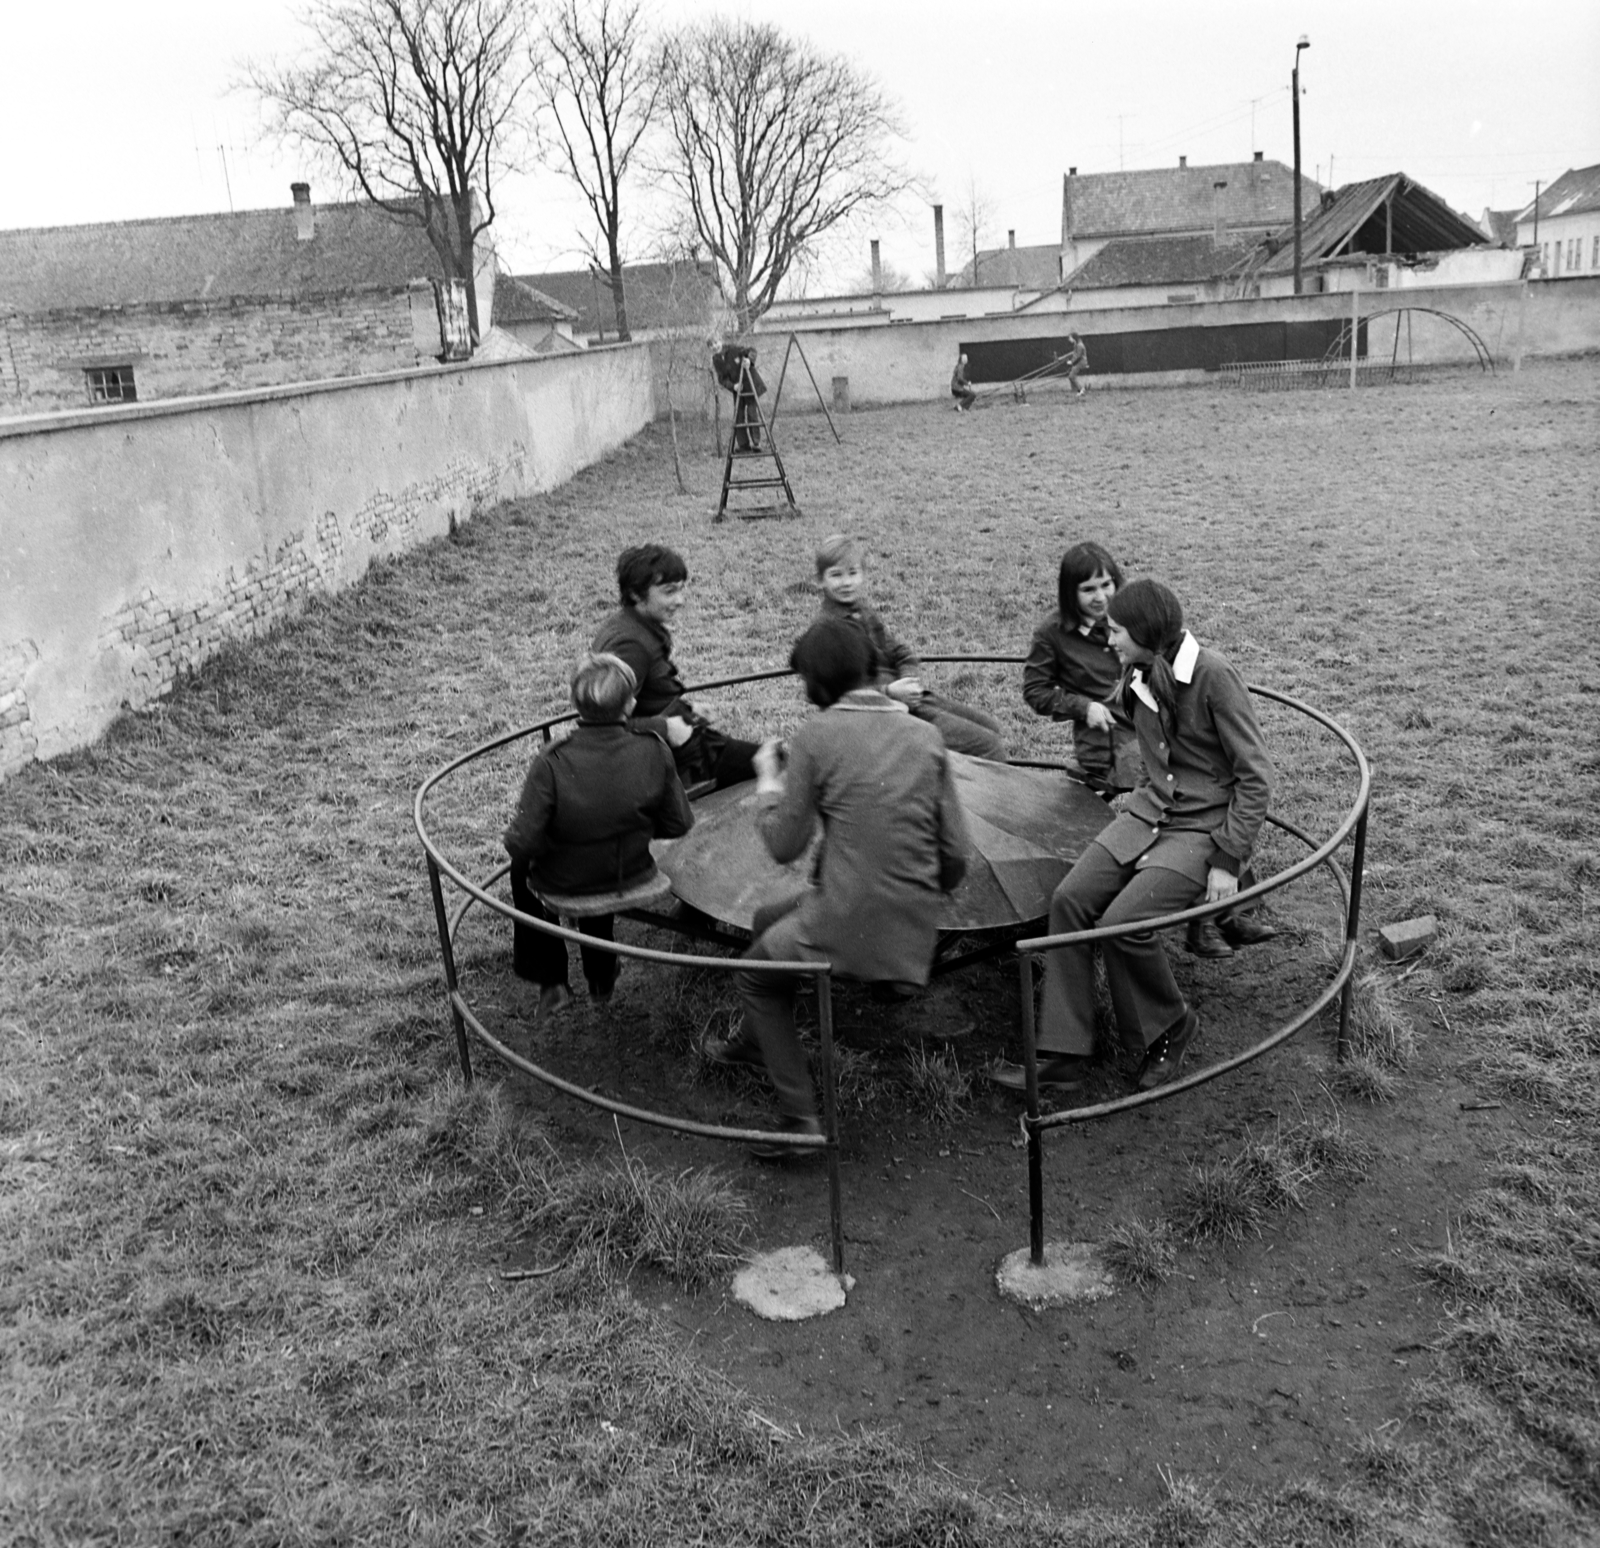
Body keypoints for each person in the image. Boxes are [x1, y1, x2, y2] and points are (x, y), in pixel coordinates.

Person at [992, 580, 1275, 1095]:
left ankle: (1167, 1027)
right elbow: (1134, 740)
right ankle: (1062, 1052)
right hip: (1147, 814)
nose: (1109, 640)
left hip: (1202, 829)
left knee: (1125, 923)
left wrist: (1228, 860)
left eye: (1117, 631)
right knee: (1071, 900)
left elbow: (1255, 777)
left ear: (1145, 634)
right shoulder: (1139, 673)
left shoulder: (1213, 676)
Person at [703, 618, 971, 1154]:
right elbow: (956, 854)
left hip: (848, 914)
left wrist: (767, 783)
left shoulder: (817, 734)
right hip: (916, 920)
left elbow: (783, 847)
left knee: (753, 976)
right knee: (764, 923)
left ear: (816, 684)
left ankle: (800, 1120)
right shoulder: (925, 735)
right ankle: (757, 1043)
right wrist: (917, 900)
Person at [504, 652, 693, 1016]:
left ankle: (552, 981)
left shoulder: (552, 760)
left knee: (524, 867)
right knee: (600, 859)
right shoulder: (654, 749)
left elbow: (521, 842)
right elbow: (679, 824)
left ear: (575, 704)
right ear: (631, 703)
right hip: (632, 870)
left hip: (568, 879)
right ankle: (601, 974)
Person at [812, 533, 1007, 761]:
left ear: (863, 574)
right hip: (881, 713)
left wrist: (908, 682)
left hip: (909, 698)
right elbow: (839, 693)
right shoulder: (827, 630)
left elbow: (902, 653)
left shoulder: (862, 611)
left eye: (853, 573)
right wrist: (891, 691)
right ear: (820, 580)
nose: (846, 583)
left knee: (991, 727)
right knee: (988, 746)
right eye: (836, 575)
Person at [591, 544, 761, 790]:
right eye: (669, 592)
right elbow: (602, 726)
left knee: (770, 760)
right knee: (774, 764)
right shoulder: (629, 645)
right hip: (674, 763)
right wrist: (666, 727)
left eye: (681, 590)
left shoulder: (634, 625)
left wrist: (686, 710)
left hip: (684, 746)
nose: (680, 601)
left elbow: (648, 699)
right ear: (636, 594)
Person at [1022, 541, 1142, 794]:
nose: (1100, 597)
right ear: (1070, 592)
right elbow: (1035, 691)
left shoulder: (1133, 616)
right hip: (1104, 737)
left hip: (1148, 721)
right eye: (1088, 589)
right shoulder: (1051, 634)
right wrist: (1084, 707)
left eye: (1106, 585)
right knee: (1156, 775)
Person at [712, 341, 767, 451]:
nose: (714, 346)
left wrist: (749, 360)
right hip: (738, 389)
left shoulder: (734, 349)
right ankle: (743, 445)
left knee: (752, 414)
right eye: (710, 345)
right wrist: (733, 386)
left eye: (715, 342)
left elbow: (752, 350)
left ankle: (756, 443)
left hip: (750, 385)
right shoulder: (717, 360)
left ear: (720, 340)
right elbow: (722, 379)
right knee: (738, 416)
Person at [1062, 333, 1088, 397]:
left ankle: (1081, 390)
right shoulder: (1077, 344)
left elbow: (1078, 355)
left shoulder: (1079, 345)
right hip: (1078, 362)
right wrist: (1063, 358)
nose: (1069, 339)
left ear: (1074, 338)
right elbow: (1074, 354)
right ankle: (1079, 390)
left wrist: (1071, 362)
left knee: (1071, 376)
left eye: (1070, 338)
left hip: (1081, 362)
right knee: (1071, 376)